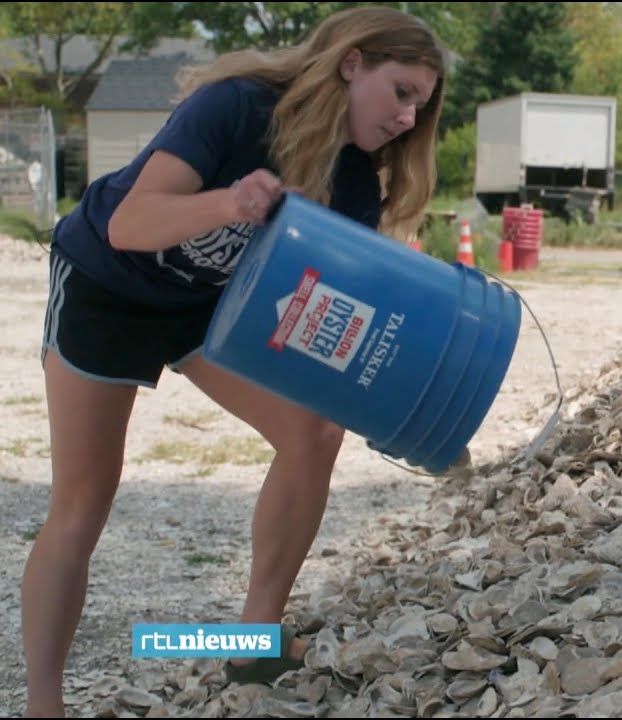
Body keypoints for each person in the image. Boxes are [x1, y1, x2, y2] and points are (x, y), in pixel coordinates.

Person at [22, 7, 451, 715]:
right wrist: (229, 202)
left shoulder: (351, 185)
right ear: (352, 62)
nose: (409, 118)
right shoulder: (238, 107)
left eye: (421, 105)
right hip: (107, 283)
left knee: (316, 430)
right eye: (402, 91)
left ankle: (255, 637)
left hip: (205, 310)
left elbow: (325, 311)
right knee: (83, 502)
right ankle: (43, 701)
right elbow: (131, 223)